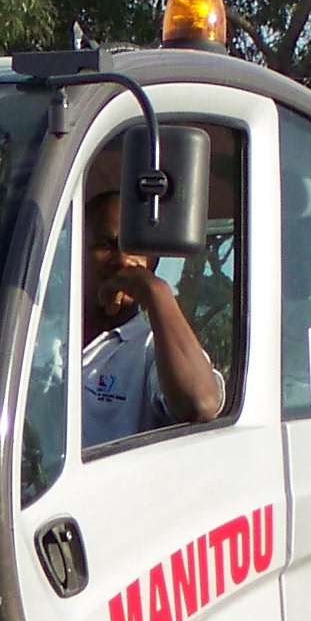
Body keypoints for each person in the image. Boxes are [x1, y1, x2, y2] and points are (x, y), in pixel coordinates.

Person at [81, 185, 224, 446]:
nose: (124, 260)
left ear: (154, 260)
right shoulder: (37, 332)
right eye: (104, 246)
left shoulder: (152, 350)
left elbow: (201, 404)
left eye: (136, 248)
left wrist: (156, 291)